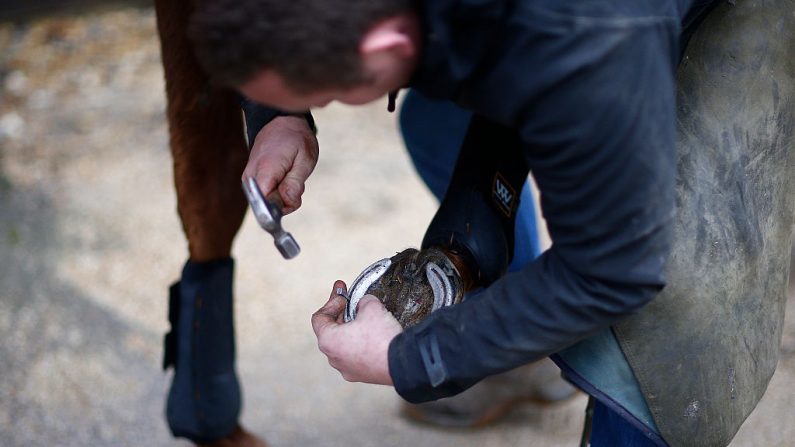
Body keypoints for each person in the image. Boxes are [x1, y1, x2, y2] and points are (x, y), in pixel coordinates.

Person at [189, 1, 795, 446]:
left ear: (384, 48)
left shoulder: (592, 35)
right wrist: (279, 113)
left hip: (683, 17)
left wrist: (411, 359)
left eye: (323, 96)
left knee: (662, 331)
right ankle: (513, 339)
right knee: (436, 124)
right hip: (548, 39)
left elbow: (612, 272)